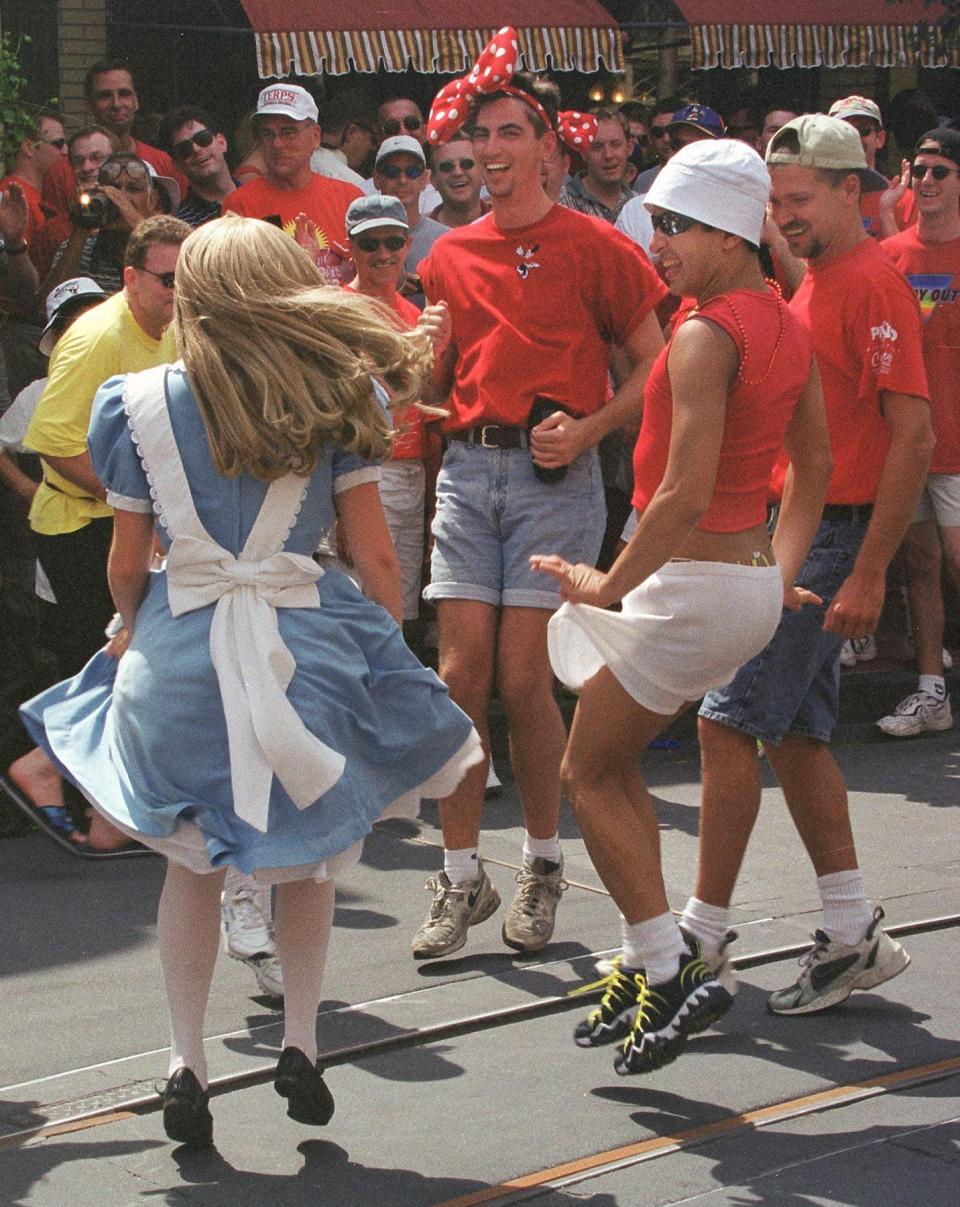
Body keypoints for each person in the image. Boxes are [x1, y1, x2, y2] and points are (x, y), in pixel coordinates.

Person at [19, 214, 482, 1148]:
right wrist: (380, 652)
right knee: (309, 857)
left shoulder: (134, 402)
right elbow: (375, 559)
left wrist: (130, 627)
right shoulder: (342, 399)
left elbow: (124, 562)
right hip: (302, 644)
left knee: (193, 867)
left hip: (180, 656)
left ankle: (187, 1060)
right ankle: (303, 1043)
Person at [532, 138, 832, 1074]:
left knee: (585, 772)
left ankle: (672, 966)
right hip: (735, 585)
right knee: (615, 768)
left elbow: (680, 495)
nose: (654, 240)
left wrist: (606, 583)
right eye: (654, 220)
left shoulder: (707, 333)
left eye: (673, 225)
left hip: (694, 585)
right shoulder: (780, 319)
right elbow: (813, 465)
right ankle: (645, 956)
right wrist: (773, 577)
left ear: (729, 230)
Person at [412, 37, 667, 961]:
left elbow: (656, 360)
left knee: (525, 679)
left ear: (549, 151)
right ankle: (459, 873)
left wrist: (595, 427)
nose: (491, 146)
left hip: (553, 478)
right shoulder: (447, 255)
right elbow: (431, 388)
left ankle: (544, 860)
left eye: (509, 130)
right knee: (458, 675)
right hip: (469, 473)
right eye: (481, 132)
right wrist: (406, 377)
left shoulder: (595, 245)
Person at [687, 115, 932, 1017]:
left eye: (797, 199)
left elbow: (915, 432)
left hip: (830, 534)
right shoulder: (824, 278)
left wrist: (868, 569)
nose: (781, 215)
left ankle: (700, 941)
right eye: (774, 201)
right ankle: (846, 926)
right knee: (792, 736)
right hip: (806, 525)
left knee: (726, 723)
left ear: (851, 190)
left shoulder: (869, 283)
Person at [12, 216, 191, 855]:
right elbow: (51, 443)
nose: (179, 290)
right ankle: (99, 808)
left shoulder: (177, 328)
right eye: (168, 279)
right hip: (80, 526)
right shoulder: (96, 338)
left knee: (134, 660)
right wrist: (139, 507)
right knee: (132, 659)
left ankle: (63, 777)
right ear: (131, 277)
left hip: (133, 525)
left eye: (187, 277)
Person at [875, 127, 960, 737]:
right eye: (919, 171)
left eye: (940, 172)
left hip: (957, 446)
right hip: (905, 443)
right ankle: (932, 693)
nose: (925, 182)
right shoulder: (889, 255)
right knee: (918, 564)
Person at [222, 84, 361, 286]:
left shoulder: (350, 198)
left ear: (315, 136)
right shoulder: (239, 205)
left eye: (288, 132)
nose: (277, 144)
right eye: (268, 134)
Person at [42, 59, 187, 218]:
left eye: (124, 94)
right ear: (88, 105)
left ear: (136, 101)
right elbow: (52, 237)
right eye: (105, 96)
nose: (116, 104)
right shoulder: (61, 172)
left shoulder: (162, 162)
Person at [41, 151, 180, 299]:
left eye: (134, 189)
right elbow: (48, 307)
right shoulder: (82, 249)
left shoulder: (172, 248)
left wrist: (136, 223)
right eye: (113, 188)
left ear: (152, 200)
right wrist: (81, 228)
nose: (121, 197)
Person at [0, 110, 67, 398]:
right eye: (59, 143)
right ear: (29, 147)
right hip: (22, 329)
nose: (65, 152)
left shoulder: (39, 196)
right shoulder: (11, 196)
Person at [31, 127, 119, 284]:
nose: (86, 167)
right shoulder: (52, 231)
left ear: (119, 162)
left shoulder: (134, 219)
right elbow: (44, 303)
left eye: (97, 158)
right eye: (79, 161)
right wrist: (81, 230)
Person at [371, 135, 447, 300]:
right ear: (377, 179)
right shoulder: (363, 241)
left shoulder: (446, 240)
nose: (402, 180)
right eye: (392, 172)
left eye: (412, 172)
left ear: (424, 179)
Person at [159, 107, 238, 227]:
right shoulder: (180, 226)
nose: (196, 149)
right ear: (177, 166)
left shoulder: (260, 195)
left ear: (222, 142)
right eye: (184, 149)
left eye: (202, 138)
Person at [560, 108, 636, 223]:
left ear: (630, 147)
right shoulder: (560, 203)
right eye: (597, 147)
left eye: (615, 145)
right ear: (583, 153)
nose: (608, 155)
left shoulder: (642, 207)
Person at [429, 137, 489, 228]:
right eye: (446, 166)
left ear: (483, 173)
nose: (458, 172)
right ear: (433, 181)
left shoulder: (507, 225)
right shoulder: (418, 238)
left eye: (466, 164)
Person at [635, 97, 687, 192]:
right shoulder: (643, 180)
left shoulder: (705, 177)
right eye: (658, 132)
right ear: (650, 137)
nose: (666, 139)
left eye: (672, 130)